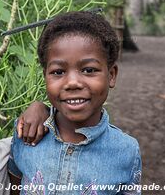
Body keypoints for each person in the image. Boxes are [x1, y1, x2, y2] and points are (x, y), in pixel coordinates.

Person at [8, 11, 142, 195]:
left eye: (88, 70)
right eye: (58, 72)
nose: (72, 83)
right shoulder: (26, 133)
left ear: (111, 75)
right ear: (45, 76)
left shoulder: (126, 151)